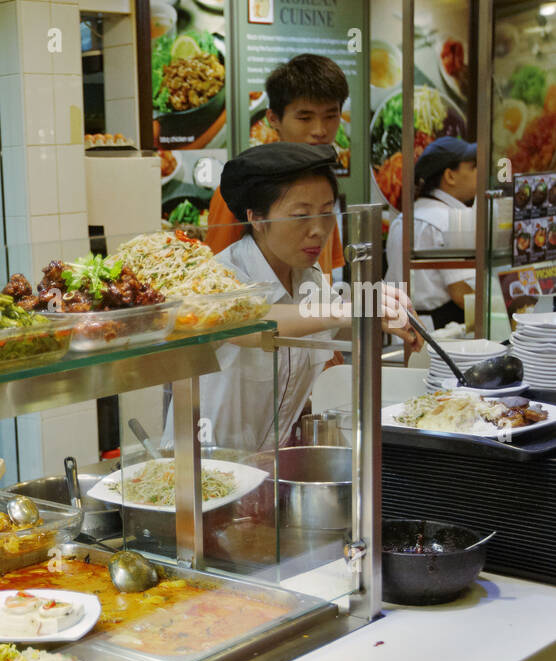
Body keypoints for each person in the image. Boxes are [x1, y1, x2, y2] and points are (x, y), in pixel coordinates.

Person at [165, 143, 421, 452]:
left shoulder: (308, 276)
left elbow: (332, 325)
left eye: (327, 213)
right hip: (204, 470)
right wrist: (350, 309)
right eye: (301, 216)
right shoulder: (219, 275)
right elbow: (248, 320)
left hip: (266, 470)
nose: (318, 230)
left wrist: (382, 309)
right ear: (257, 219)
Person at [205, 54, 349, 275]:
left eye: (331, 116)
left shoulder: (321, 185)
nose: (320, 130)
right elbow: (215, 279)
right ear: (273, 118)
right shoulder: (245, 188)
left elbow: (325, 273)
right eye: (305, 118)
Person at [384, 137, 478, 329]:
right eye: (474, 167)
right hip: (442, 331)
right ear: (450, 176)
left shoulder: (403, 218)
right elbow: (461, 294)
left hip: (399, 327)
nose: (481, 173)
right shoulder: (453, 220)